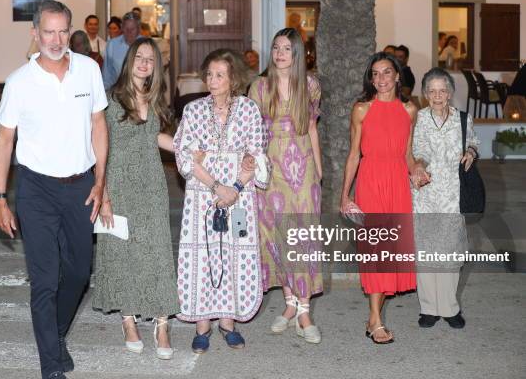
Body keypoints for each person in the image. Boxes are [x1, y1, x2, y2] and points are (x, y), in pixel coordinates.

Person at [0, 0, 108, 379]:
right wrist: (0, 198)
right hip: (36, 190)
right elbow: (4, 142)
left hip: (80, 187)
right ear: (35, 34)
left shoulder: (88, 70)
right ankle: (51, 367)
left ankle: (56, 335)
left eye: (62, 31)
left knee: (77, 274)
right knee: (44, 281)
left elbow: (98, 126)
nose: (56, 40)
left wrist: (101, 180)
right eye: (48, 32)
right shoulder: (19, 82)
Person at [173, 48, 269, 354]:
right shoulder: (193, 110)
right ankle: (203, 324)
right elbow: (185, 156)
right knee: (203, 256)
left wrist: (236, 187)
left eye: (219, 75)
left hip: (239, 200)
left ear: (234, 78)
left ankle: (228, 322)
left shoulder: (249, 109)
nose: (212, 80)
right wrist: (217, 187)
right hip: (203, 197)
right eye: (209, 74)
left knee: (236, 254)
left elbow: (256, 155)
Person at [93, 37, 179, 360]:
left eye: (151, 59)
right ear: (129, 61)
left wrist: (187, 148)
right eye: (139, 57)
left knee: (157, 251)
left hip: (153, 186)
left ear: (156, 66)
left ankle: (162, 323)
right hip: (119, 184)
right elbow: (100, 148)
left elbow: (152, 136)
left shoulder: (154, 98)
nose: (144, 63)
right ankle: (128, 320)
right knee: (122, 253)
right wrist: (104, 195)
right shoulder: (111, 99)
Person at [340, 52, 425, 345]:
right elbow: (353, 155)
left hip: (398, 184)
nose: (380, 79)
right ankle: (375, 320)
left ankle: (373, 317)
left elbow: (408, 155)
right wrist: (344, 195)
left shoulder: (410, 109)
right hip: (371, 182)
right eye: (375, 74)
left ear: (398, 75)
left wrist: (417, 171)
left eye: (386, 73)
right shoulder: (362, 109)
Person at [248, 27, 323, 344]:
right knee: (277, 237)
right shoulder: (259, 87)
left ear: (297, 55)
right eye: (276, 47)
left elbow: (313, 129)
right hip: (271, 173)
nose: (280, 53)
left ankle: (305, 310)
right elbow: (251, 135)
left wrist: (318, 171)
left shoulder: (310, 85)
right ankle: (290, 305)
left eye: (286, 48)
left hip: (303, 171)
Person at [411, 67, 479, 329]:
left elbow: (473, 141)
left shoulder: (463, 119)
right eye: (432, 91)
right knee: (427, 250)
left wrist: (471, 151)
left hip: (453, 194)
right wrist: (419, 164)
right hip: (425, 193)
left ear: (450, 93)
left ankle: (449, 308)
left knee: (451, 251)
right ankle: (428, 307)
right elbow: (418, 148)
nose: (437, 95)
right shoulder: (419, 118)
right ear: (426, 94)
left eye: (442, 90)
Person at [103, 11, 142, 89]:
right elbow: (107, 75)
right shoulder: (112, 45)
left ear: (138, 29)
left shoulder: (147, 44)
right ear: (122, 28)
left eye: (132, 29)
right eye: (126, 28)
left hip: (143, 93)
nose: (129, 32)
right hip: (118, 93)